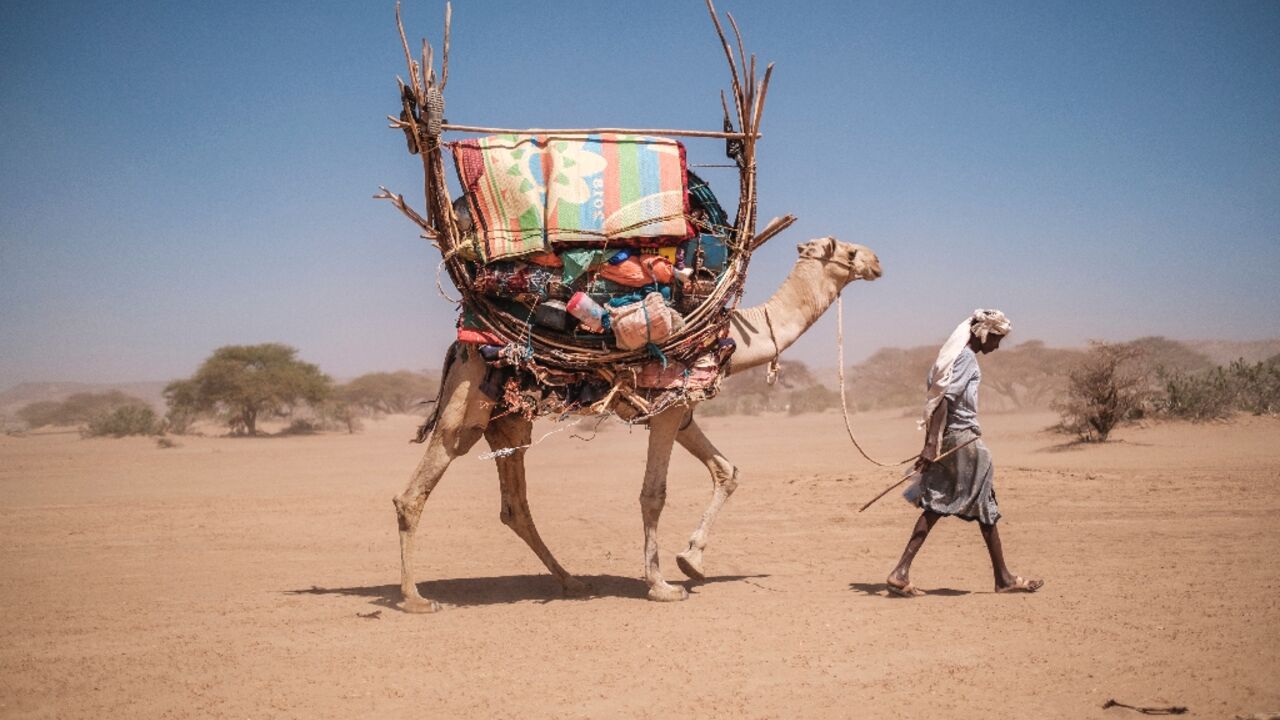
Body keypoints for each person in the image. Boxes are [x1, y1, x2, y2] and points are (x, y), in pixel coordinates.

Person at [885, 309, 1043, 597]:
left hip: (953, 439)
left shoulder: (952, 357)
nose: (996, 346)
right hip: (964, 442)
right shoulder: (966, 359)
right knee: (984, 508)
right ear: (983, 333)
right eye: (996, 338)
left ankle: (901, 571)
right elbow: (944, 397)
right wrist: (931, 444)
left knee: (937, 505)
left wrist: (933, 442)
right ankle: (1004, 578)